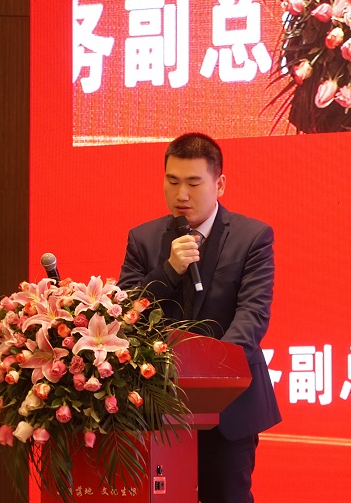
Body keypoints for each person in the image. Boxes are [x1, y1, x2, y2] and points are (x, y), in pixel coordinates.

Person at [118, 132, 281, 503]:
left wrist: (211, 377)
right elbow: (125, 316)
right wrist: (169, 271)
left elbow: (252, 315)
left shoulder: (252, 237)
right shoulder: (143, 239)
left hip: (229, 408)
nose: (181, 194)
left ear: (219, 184)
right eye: (172, 181)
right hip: (156, 407)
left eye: (193, 183)